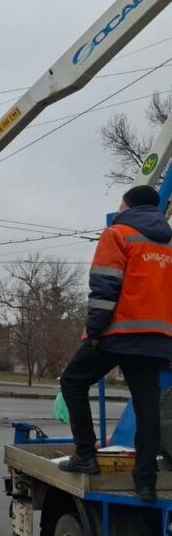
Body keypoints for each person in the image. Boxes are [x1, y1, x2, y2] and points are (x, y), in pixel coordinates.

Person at [59, 185, 172, 500]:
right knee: (147, 405)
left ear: (128, 206)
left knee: (72, 382)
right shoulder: (169, 243)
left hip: (118, 334)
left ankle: (85, 454)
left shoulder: (118, 234)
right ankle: (146, 482)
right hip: (158, 339)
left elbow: (105, 288)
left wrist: (94, 332)